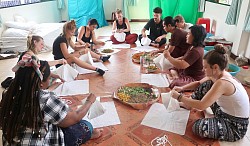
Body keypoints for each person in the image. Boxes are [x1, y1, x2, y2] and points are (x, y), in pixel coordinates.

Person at [0, 59, 103, 145]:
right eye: (49, 78)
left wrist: (50, 89)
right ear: (40, 84)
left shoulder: (8, 92)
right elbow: (75, 117)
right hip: (37, 142)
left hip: (12, 141)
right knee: (85, 125)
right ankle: (90, 133)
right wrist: (89, 101)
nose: (50, 81)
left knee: (52, 119)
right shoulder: (46, 99)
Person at [170, 44, 249, 142]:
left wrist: (179, 97)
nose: (203, 70)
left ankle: (215, 121)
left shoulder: (222, 82)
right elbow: (198, 83)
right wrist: (181, 88)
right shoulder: (218, 74)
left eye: (205, 67)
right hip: (223, 111)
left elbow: (201, 106)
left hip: (235, 126)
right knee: (206, 84)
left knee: (198, 127)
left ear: (215, 67)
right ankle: (188, 105)